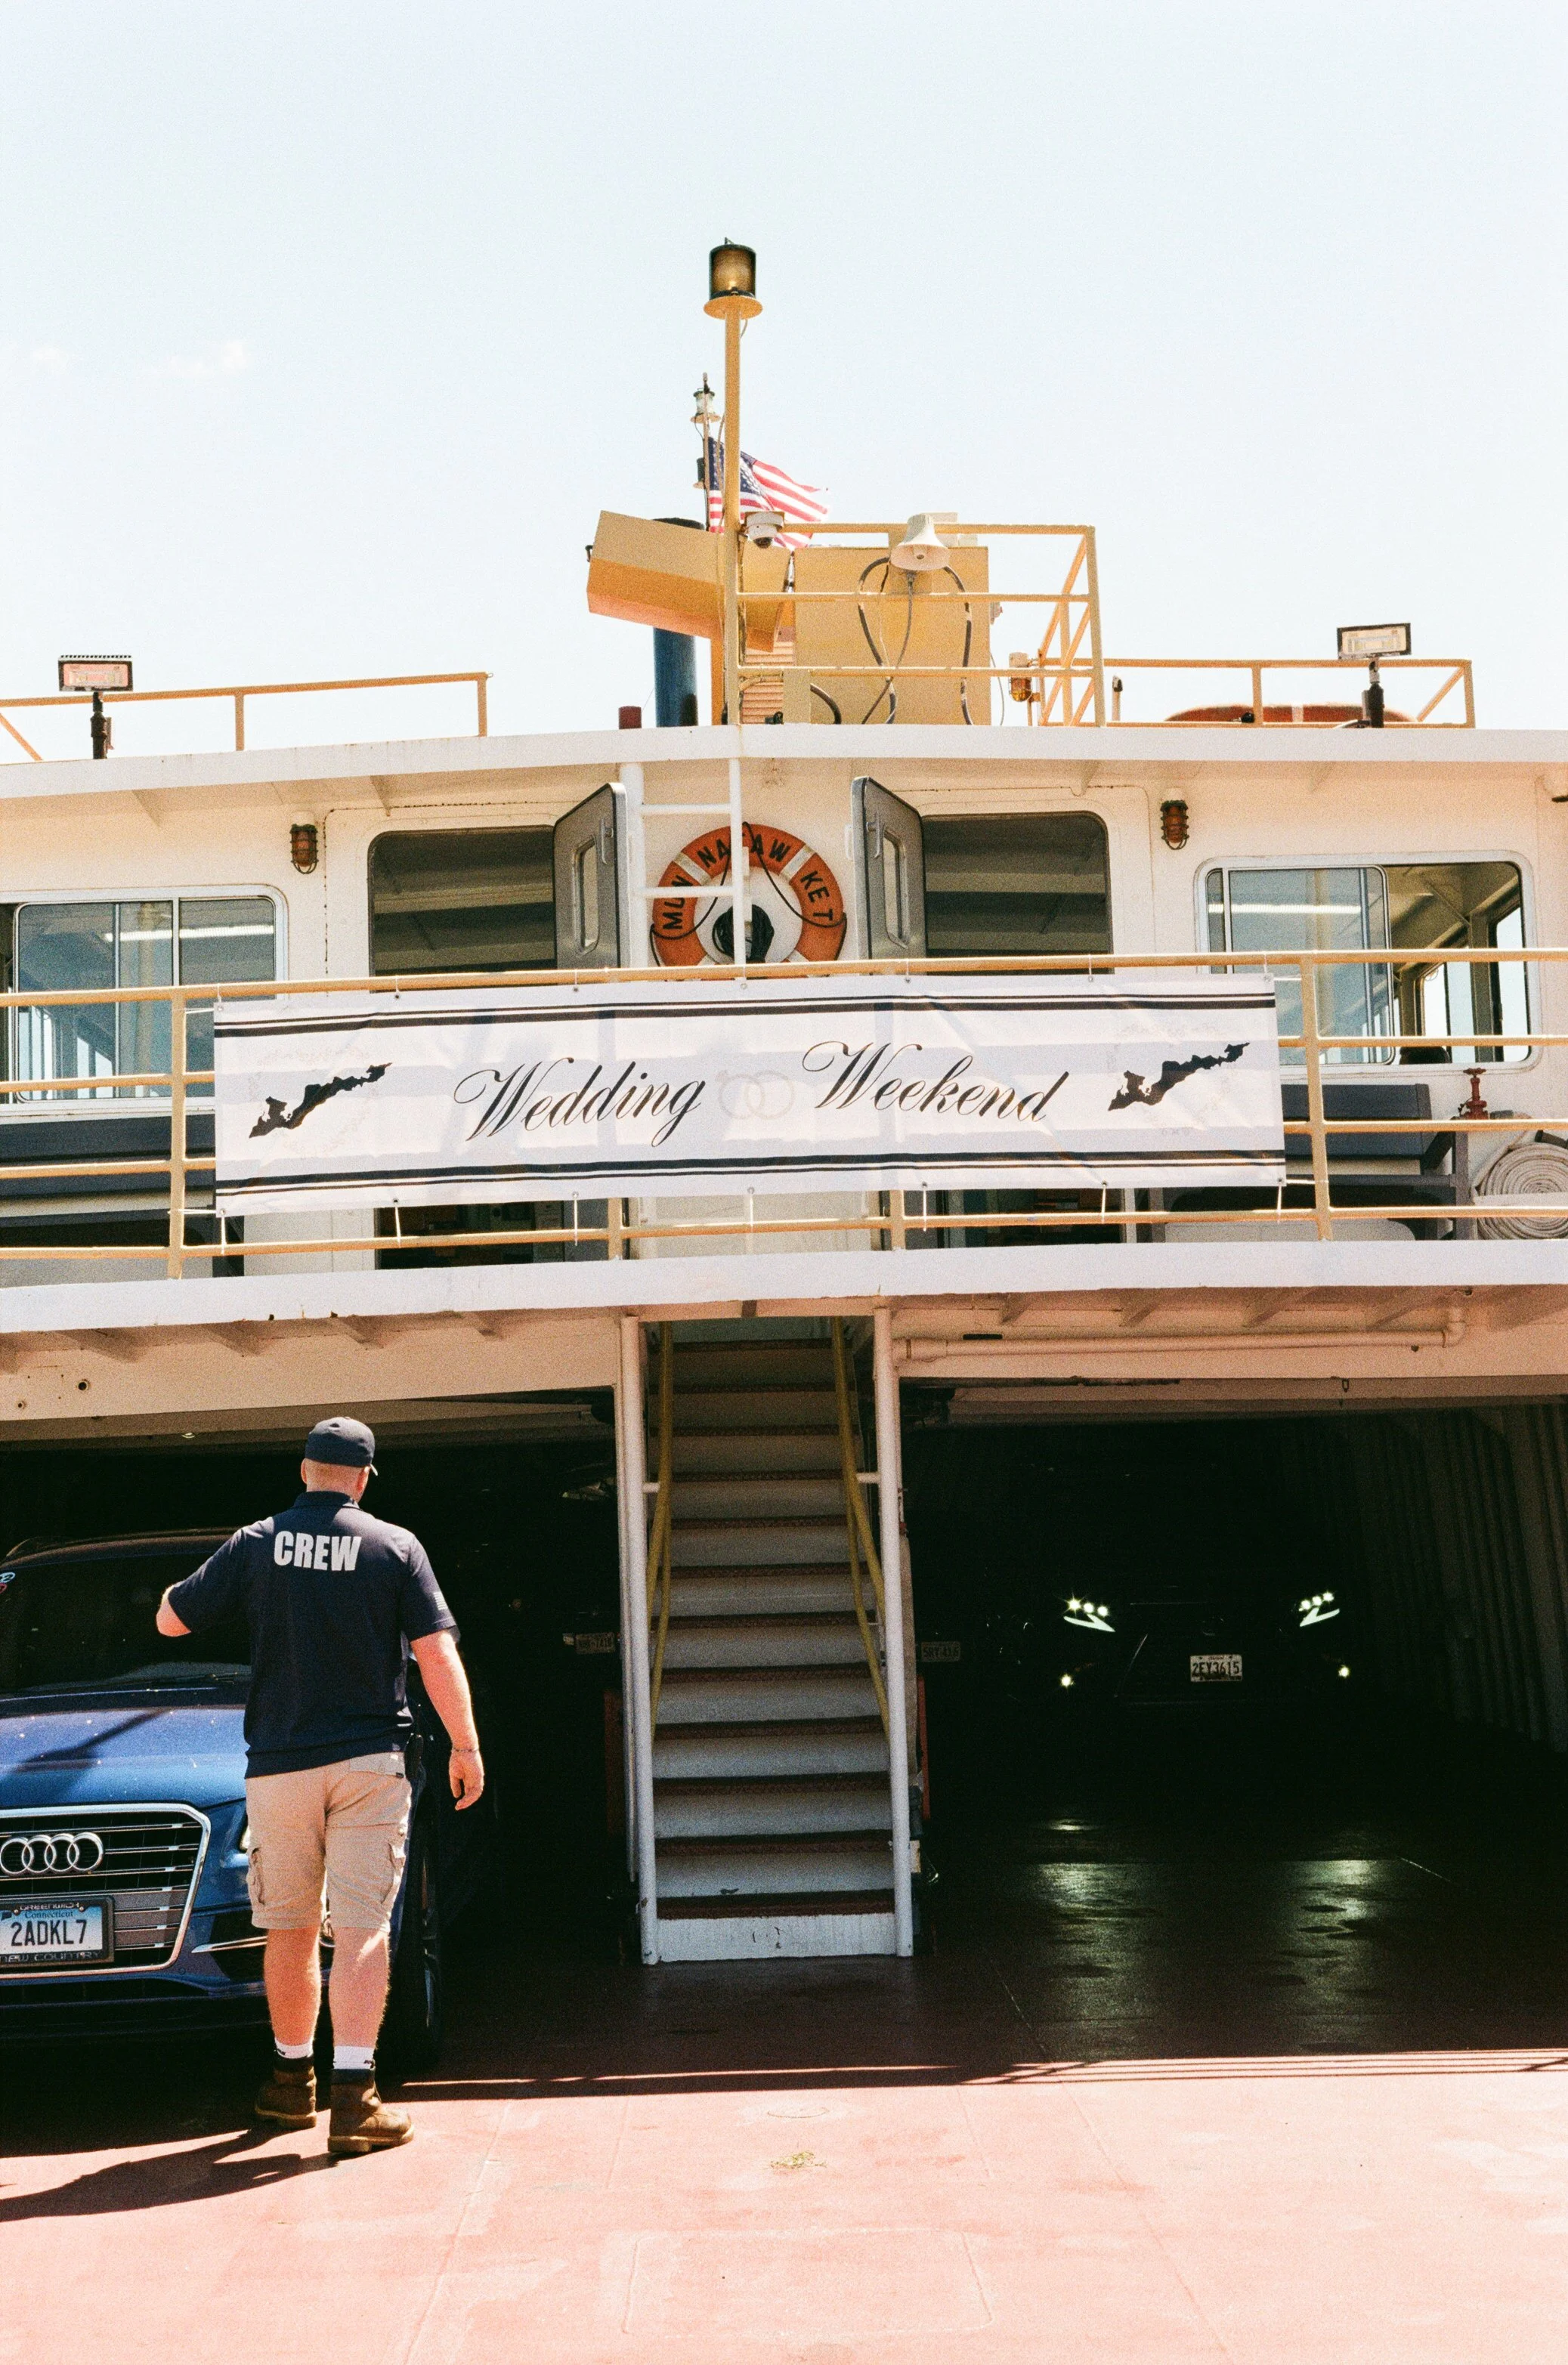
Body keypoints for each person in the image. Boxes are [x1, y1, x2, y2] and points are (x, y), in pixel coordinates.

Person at [156, 1414, 484, 2159]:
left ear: (303, 1470)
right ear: (364, 1479)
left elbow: (171, 1619)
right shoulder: (396, 1546)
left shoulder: (256, 1540)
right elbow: (435, 1654)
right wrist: (465, 1745)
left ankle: (287, 2081)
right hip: (370, 1762)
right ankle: (355, 2096)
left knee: (289, 1923)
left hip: (280, 1764)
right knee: (365, 1922)